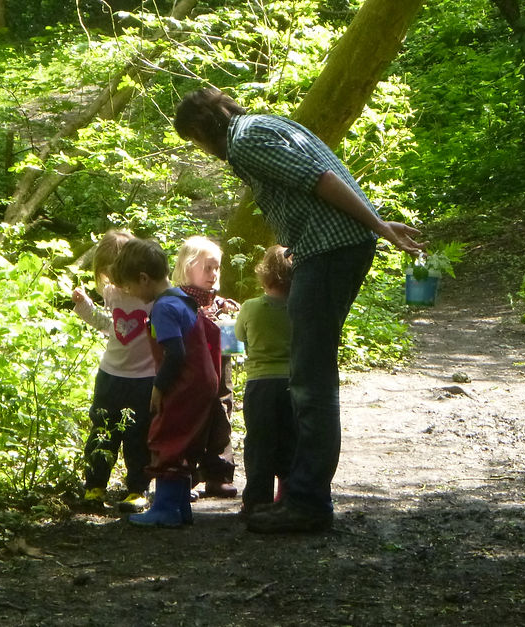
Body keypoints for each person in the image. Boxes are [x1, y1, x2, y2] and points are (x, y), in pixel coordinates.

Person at [173, 86, 426, 533]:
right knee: (309, 375)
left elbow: (322, 180)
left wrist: (379, 225)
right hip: (328, 248)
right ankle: (302, 495)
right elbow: (323, 173)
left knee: (310, 379)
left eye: (194, 141)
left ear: (200, 128)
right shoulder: (267, 124)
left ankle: (307, 503)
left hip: (331, 249)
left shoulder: (245, 139)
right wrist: (374, 220)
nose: (202, 151)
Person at [110, 237, 222, 528]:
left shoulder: (164, 308)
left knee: (167, 437)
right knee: (185, 440)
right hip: (203, 381)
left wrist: (159, 387)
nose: (131, 293)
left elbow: (175, 354)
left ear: (143, 279)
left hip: (184, 382)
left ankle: (166, 509)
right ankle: (181, 506)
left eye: (130, 287)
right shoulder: (183, 298)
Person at [72, 230, 156, 513]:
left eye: (117, 274)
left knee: (138, 433)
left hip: (144, 378)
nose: (113, 282)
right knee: (102, 430)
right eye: (107, 276)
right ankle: (95, 485)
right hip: (110, 375)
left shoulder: (150, 297)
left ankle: (137, 488)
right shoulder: (111, 295)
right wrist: (83, 306)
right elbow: (109, 326)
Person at [171, 235, 240, 499]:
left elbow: (232, 347)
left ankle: (219, 473)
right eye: (207, 267)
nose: (213, 273)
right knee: (188, 416)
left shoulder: (221, 305)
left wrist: (230, 326)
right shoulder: (176, 301)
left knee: (222, 412)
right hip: (190, 371)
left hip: (220, 370)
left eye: (216, 268)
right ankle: (184, 473)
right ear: (188, 266)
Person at [235, 245, 294, 515]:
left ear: (265, 275)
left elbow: (237, 338)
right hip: (293, 383)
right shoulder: (298, 309)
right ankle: (288, 496)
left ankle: (257, 500)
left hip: (260, 383)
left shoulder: (250, 307)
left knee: (259, 442)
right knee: (290, 440)